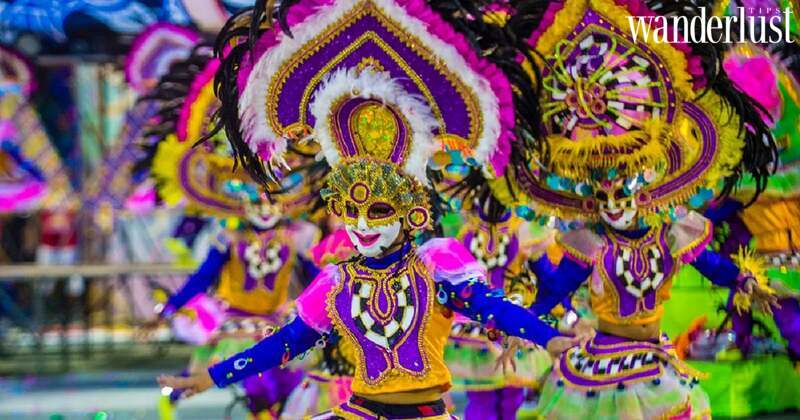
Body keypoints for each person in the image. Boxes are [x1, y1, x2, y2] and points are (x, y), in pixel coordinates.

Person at [157, 0, 586, 417]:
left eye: (378, 210)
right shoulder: (337, 281)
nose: (361, 224)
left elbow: (492, 307)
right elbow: (285, 343)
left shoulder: (435, 264)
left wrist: (548, 339)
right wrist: (211, 378)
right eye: (351, 210)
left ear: (412, 216)